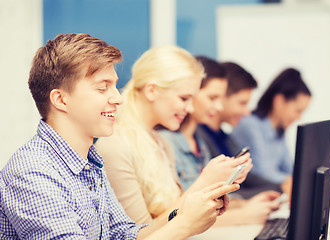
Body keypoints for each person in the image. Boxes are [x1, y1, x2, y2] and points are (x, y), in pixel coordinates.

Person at [0, 33, 241, 239]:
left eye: (114, 86)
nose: (118, 98)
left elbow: (125, 234)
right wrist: (184, 225)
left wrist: (186, 212)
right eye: (102, 87)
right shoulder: (32, 172)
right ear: (61, 100)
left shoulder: (90, 163)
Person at [94, 45, 252, 226]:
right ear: (151, 91)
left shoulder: (161, 143)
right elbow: (139, 235)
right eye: (184, 99)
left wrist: (218, 184)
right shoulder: (115, 147)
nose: (191, 108)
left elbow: (175, 214)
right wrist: (205, 181)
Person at [159, 56, 281, 225]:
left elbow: (209, 201)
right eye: (212, 98)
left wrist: (242, 204)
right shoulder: (166, 143)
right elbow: (176, 214)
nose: (219, 107)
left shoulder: (200, 144)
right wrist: (243, 214)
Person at [195, 61, 285, 197]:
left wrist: (280, 187)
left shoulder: (225, 138)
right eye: (242, 103)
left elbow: (248, 179)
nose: (247, 112)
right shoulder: (198, 137)